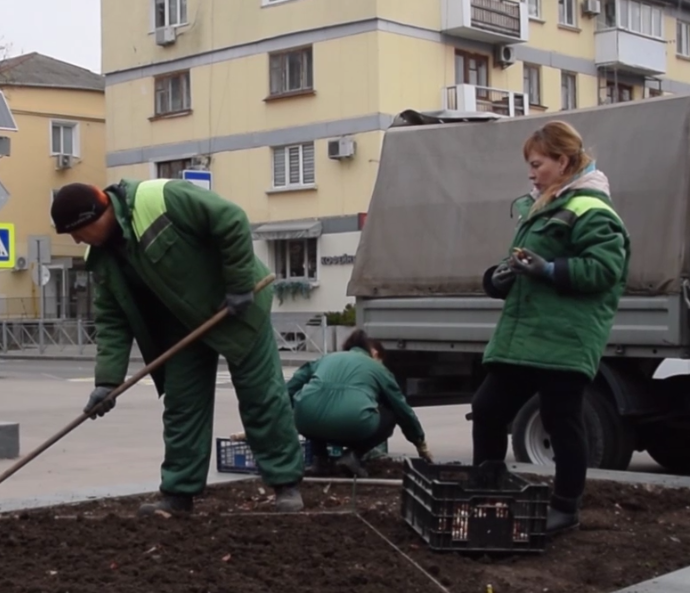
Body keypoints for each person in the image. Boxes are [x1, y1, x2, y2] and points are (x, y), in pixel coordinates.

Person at [50, 179, 305, 514]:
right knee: (183, 407)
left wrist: (240, 284)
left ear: (97, 213)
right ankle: (178, 493)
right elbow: (112, 320)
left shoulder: (159, 199)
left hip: (237, 308)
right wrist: (107, 382)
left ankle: (286, 485)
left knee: (261, 398)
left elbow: (231, 219)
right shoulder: (100, 258)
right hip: (183, 325)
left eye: (77, 230)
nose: (76, 240)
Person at [474, 120, 629, 535]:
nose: (531, 173)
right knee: (488, 409)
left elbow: (605, 269)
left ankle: (565, 508)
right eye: (530, 164)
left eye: (537, 163)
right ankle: (487, 494)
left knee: (562, 420)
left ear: (563, 162)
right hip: (526, 333)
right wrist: (498, 278)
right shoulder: (541, 206)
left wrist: (549, 270)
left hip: (566, 336)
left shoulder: (592, 209)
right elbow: (520, 261)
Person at [287, 329, 430, 477]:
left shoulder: (325, 359)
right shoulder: (377, 368)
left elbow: (289, 388)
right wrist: (420, 443)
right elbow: (402, 408)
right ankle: (353, 455)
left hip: (305, 421)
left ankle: (320, 460)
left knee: (314, 407)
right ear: (375, 353)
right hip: (354, 424)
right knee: (391, 413)